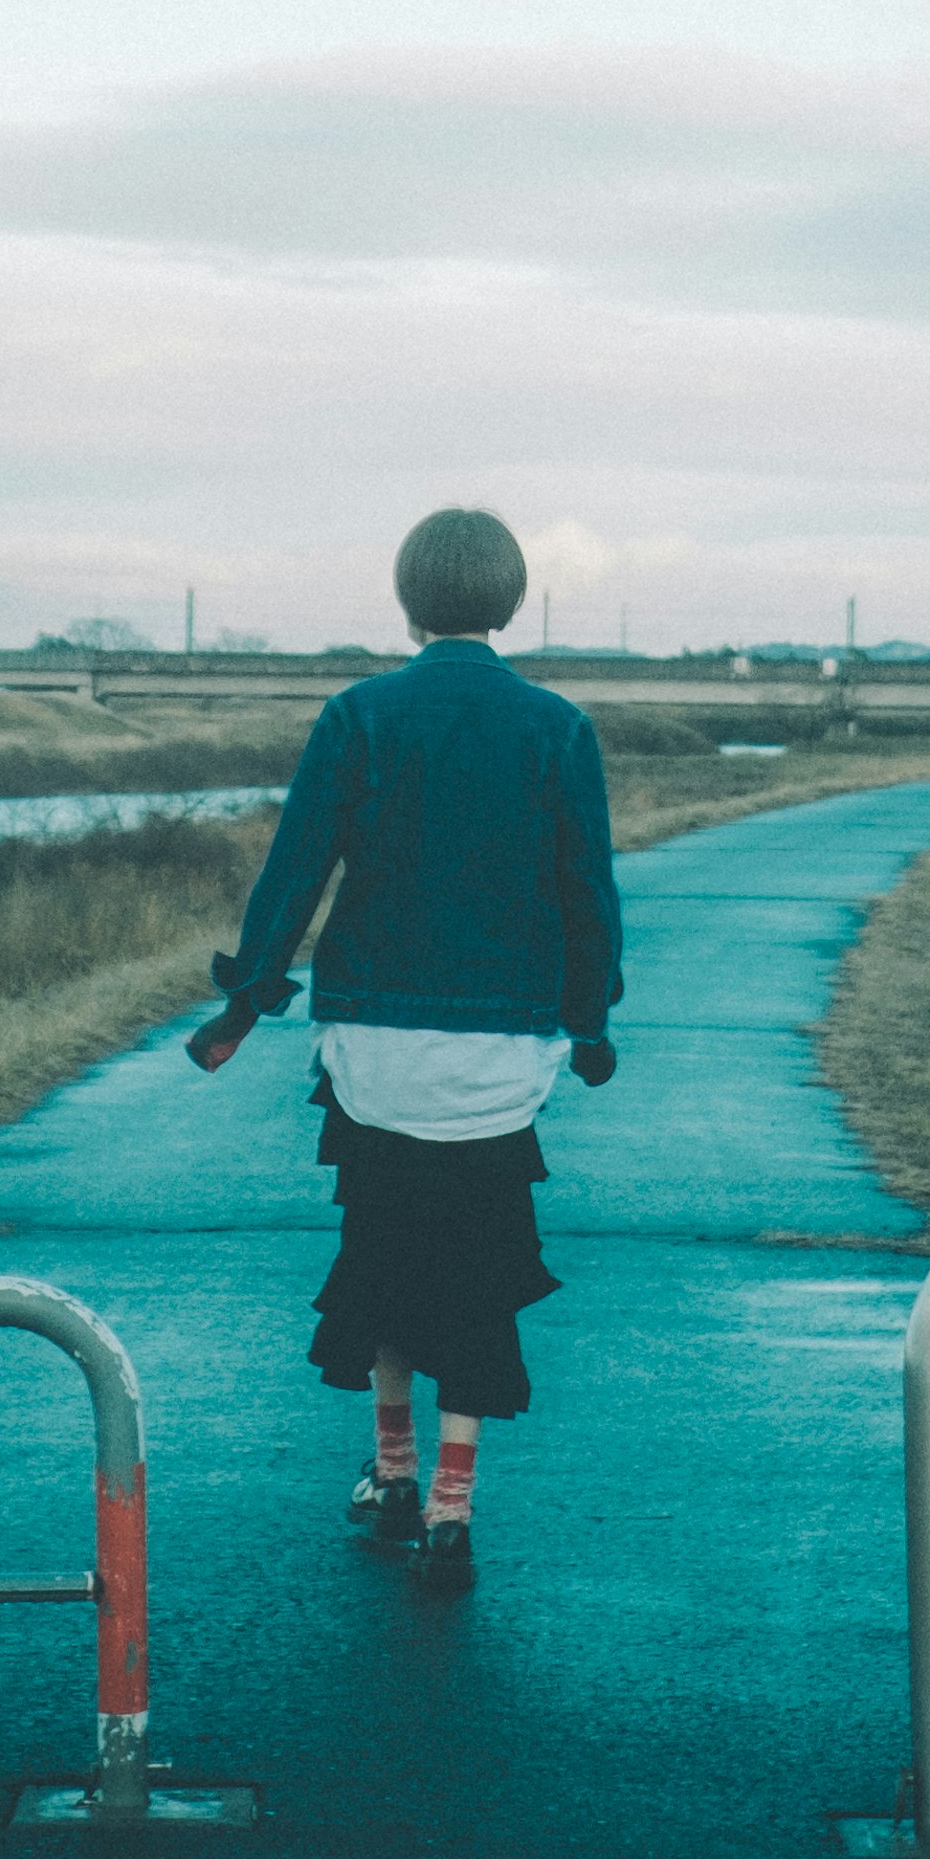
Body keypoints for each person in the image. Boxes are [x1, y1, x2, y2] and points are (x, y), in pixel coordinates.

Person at [186, 503, 622, 1590]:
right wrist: (592, 1017)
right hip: (501, 1052)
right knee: (477, 1269)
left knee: (382, 1251)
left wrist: (247, 1000)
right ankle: (452, 1505)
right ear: (509, 600)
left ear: (408, 597)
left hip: (373, 1043)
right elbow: (587, 893)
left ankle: (387, 1473)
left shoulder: (359, 715)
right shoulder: (557, 726)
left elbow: (297, 873)